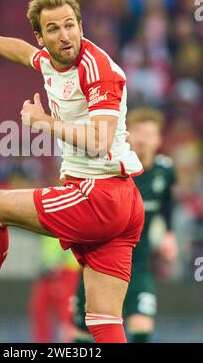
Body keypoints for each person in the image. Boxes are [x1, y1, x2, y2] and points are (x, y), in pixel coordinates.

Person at [0, 0, 144, 343]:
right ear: (41, 36)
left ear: (81, 25)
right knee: (103, 321)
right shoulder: (51, 59)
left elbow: (98, 141)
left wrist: (44, 122)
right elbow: (23, 53)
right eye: (54, 29)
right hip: (123, 201)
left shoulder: (98, 70)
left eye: (70, 25)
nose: (64, 35)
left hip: (97, 195)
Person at [72, 107, 178, 343]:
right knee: (83, 330)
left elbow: (167, 202)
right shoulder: (111, 166)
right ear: (127, 135)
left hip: (138, 263)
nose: (143, 139)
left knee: (142, 324)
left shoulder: (165, 170)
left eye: (150, 134)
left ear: (159, 139)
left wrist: (169, 234)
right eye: (139, 133)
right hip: (99, 260)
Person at [29, 237, 79, 343]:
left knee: (66, 314)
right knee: (39, 310)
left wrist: (59, 264)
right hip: (46, 272)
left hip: (66, 270)